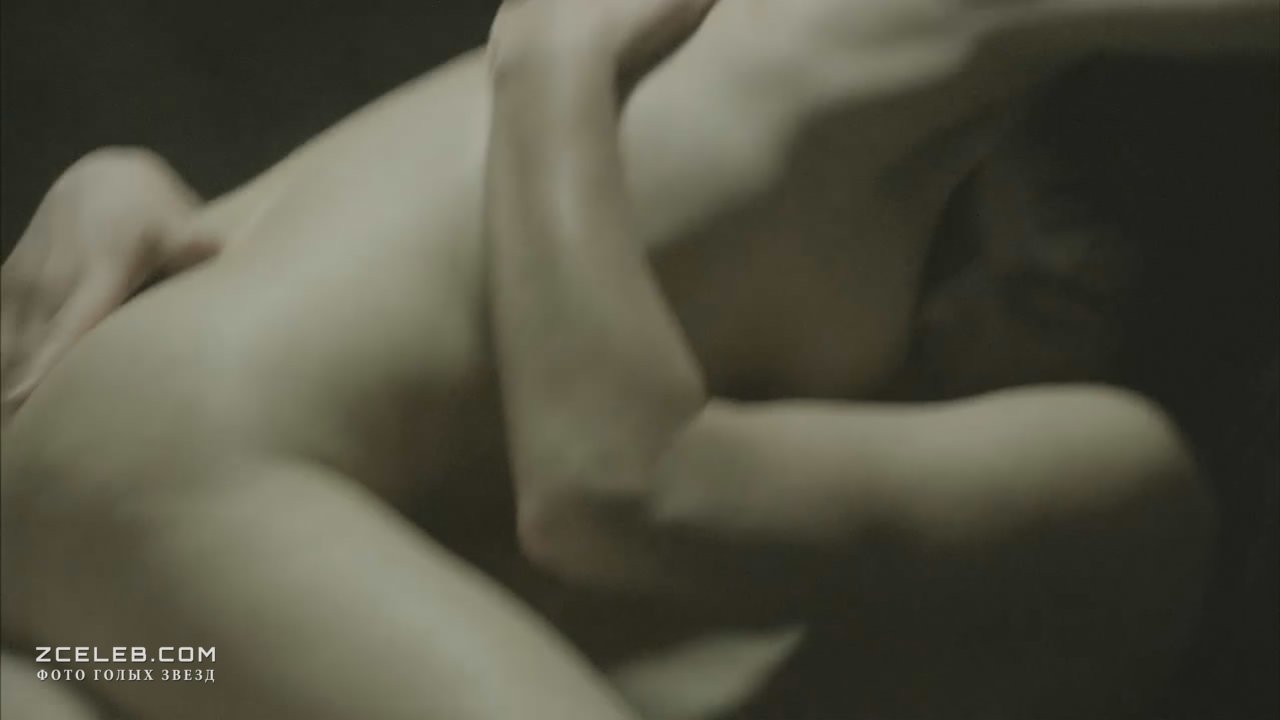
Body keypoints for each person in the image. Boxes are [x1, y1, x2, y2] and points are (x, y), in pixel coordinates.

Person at [1, 0, 1274, 718]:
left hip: (106, 598)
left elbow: (609, 490)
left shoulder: (1115, 477)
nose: (965, 295)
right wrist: (167, 203)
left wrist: (549, 62)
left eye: (1060, 284)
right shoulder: (807, 176)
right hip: (170, 466)